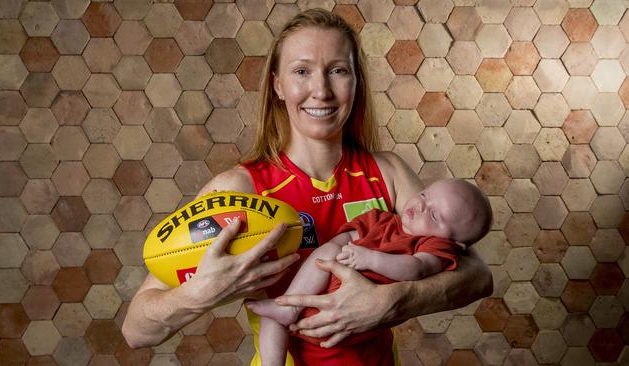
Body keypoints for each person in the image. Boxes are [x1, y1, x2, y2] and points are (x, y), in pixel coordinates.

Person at [122, 8, 492, 365]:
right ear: (278, 86)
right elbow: (137, 330)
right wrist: (201, 293)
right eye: (301, 71)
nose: (321, 90)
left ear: (356, 83)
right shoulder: (241, 189)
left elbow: (476, 275)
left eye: (337, 71)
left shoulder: (387, 172)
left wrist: (393, 300)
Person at [248, 179, 492, 365]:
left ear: (455, 244)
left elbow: (417, 268)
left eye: (434, 214)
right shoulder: (382, 219)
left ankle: (288, 308)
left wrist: (371, 259)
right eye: (423, 194)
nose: (419, 205)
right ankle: (284, 319)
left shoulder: (433, 245)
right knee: (273, 318)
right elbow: (347, 237)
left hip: (351, 329)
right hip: (308, 308)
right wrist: (341, 246)